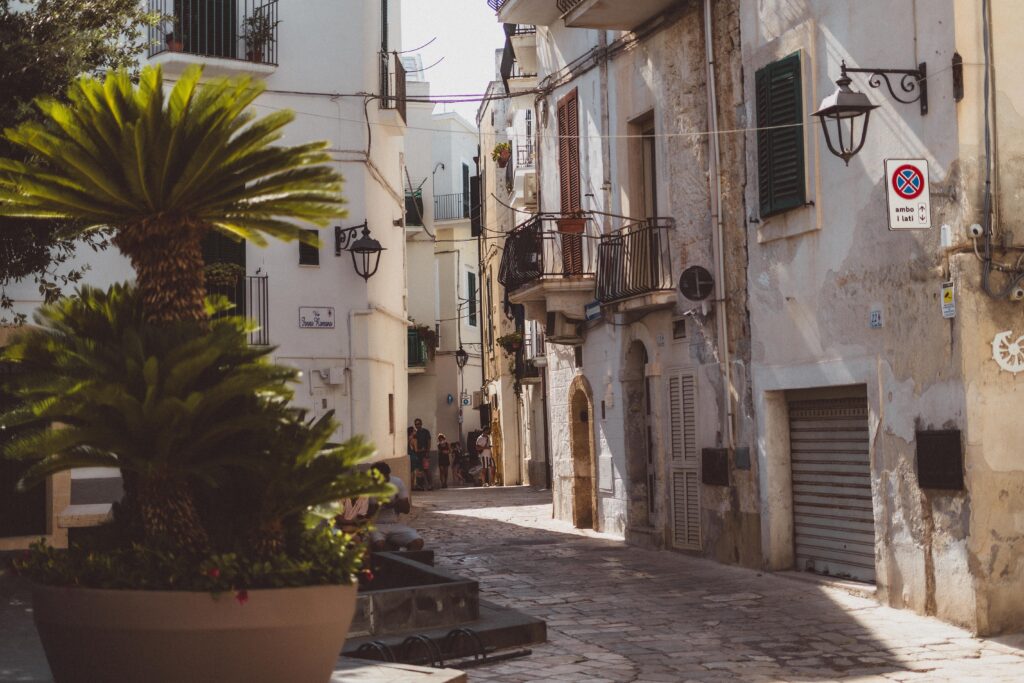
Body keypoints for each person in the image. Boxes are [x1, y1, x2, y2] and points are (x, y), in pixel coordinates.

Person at [367, 462, 423, 551]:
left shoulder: (397, 482)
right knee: (379, 545)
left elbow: (406, 509)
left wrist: (394, 503)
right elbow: (368, 513)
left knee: (417, 542)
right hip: (376, 525)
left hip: (395, 523)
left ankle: (407, 564)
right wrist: (380, 504)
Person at [414, 418, 432, 491]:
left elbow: (429, 441)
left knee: (426, 469)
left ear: (421, 424)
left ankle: (430, 484)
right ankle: (421, 485)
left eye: (418, 424)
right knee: (420, 471)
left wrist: (428, 451)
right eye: (416, 424)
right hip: (418, 454)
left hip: (425, 453)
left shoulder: (426, 432)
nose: (417, 425)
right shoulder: (415, 433)